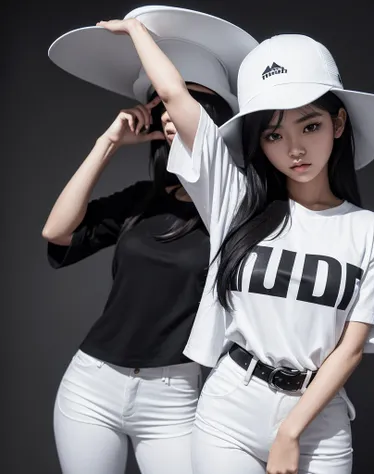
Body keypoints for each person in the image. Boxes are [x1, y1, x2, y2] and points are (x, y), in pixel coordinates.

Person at [98, 17, 374, 474]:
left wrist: (291, 432)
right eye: (274, 134)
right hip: (230, 410)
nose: (295, 149)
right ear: (260, 143)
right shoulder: (236, 202)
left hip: (318, 420)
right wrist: (139, 33)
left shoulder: (371, 231)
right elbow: (181, 103)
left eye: (310, 126)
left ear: (338, 123)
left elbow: (350, 349)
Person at [42, 6, 257, 474]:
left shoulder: (234, 205)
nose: (172, 115)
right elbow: (56, 232)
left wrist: (136, 29)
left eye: (187, 106)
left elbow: (174, 93)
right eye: (163, 111)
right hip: (91, 385)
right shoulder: (144, 200)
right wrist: (109, 142)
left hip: (173, 398)